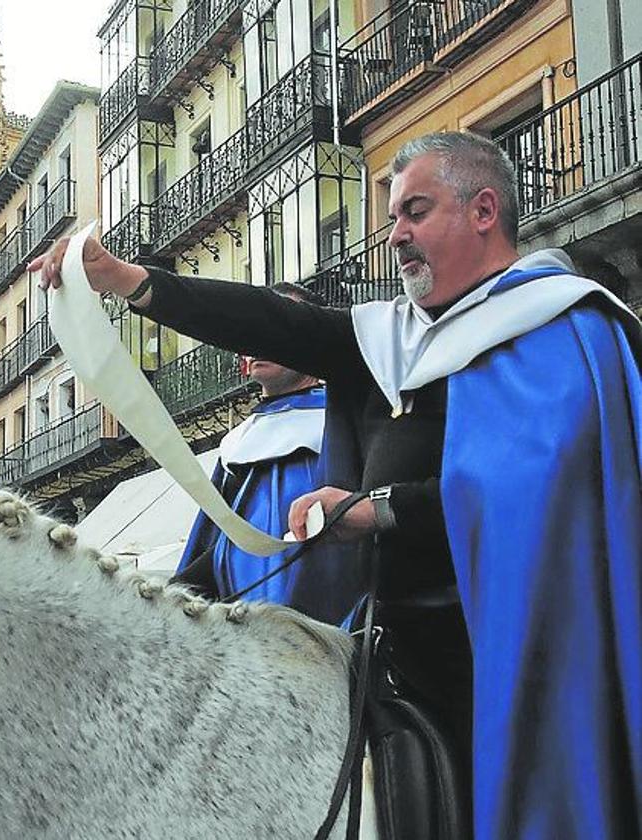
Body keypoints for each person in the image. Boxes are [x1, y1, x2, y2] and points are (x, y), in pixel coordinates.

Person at [32, 131, 642, 840]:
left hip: (518, 654)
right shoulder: (390, 339)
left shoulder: (566, 329)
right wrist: (128, 280)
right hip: (387, 649)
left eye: (415, 211)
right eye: (391, 218)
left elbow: (536, 497)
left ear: (482, 210)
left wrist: (376, 512)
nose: (396, 235)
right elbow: (277, 322)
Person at [173, 283, 365, 625]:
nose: (257, 342)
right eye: (252, 331)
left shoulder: (349, 423)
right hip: (244, 641)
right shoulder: (237, 444)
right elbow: (214, 547)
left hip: (336, 637)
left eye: (275, 328)